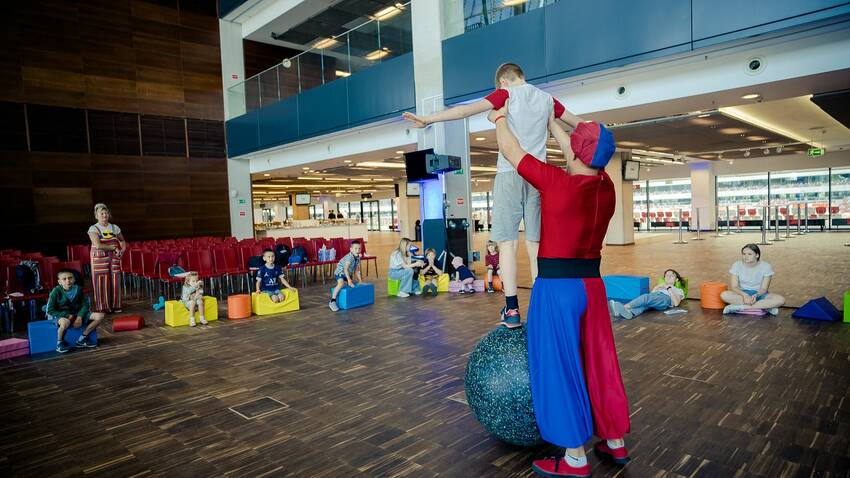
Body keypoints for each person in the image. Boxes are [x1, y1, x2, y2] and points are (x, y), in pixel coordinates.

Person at [489, 105, 629, 477]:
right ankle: (614, 441)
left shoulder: (556, 183)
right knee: (599, 362)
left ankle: (575, 459)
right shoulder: (607, 188)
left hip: (556, 289)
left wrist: (499, 117)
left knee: (559, 367)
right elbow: (578, 152)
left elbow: (511, 150)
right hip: (593, 288)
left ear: (576, 153)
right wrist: (550, 120)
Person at [404, 63, 585, 328]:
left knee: (507, 244)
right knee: (535, 245)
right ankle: (541, 308)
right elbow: (578, 123)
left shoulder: (505, 94)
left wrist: (428, 119)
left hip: (510, 172)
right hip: (539, 175)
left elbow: (464, 111)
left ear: (502, 81)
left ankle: (512, 310)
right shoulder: (547, 99)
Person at [47, 269, 104, 353]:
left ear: (74, 279)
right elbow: (50, 310)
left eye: (70, 278)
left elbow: (85, 305)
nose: (68, 281)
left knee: (100, 316)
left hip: (76, 313)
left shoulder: (78, 289)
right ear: (59, 282)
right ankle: (59, 343)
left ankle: (82, 338)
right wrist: (66, 315)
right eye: (64, 279)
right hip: (61, 315)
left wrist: (79, 317)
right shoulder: (56, 291)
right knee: (65, 322)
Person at [721, 244, 785, 315]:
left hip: (759, 294)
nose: (746, 257)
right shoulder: (737, 265)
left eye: (749, 254)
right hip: (742, 294)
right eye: (744, 254)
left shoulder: (766, 266)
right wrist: (745, 295)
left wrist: (756, 296)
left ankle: (739, 307)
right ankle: (765, 307)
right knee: (724, 295)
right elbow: (734, 287)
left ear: (757, 255)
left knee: (781, 300)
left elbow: (764, 289)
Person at [88, 203, 126, 313]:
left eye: (106, 213)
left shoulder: (114, 227)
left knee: (115, 279)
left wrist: (122, 251)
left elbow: (122, 241)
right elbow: (98, 245)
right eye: (102, 213)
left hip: (114, 257)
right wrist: (114, 248)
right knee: (101, 281)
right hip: (99, 259)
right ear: (96, 215)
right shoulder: (93, 228)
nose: (104, 215)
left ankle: (116, 305)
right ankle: (103, 307)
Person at [610, 269, 686, 320]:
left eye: (671, 275)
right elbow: (651, 295)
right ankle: (631, 313)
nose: (668, 277)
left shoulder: (679, 290)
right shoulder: (660, 287)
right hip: (656, 297)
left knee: (645, 297)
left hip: (665, 299)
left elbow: (676, 303)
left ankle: (623, 307)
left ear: (676, 279)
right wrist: (657, 287)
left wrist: (669, 288)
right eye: (666, 275)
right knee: (644, 305)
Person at [329, 241, 363, 312]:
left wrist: (360, 280)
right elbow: (345, 269)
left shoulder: (358, 258)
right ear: (351, 249)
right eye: (355, 248)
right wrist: (349, 279)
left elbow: (356, 270)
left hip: (348, 273)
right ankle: (332, 301)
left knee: (351, 286)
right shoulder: (349, 257)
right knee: (341, 283)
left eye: (359, 248)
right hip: (340, 272)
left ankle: (349, 300)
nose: (358, 250)